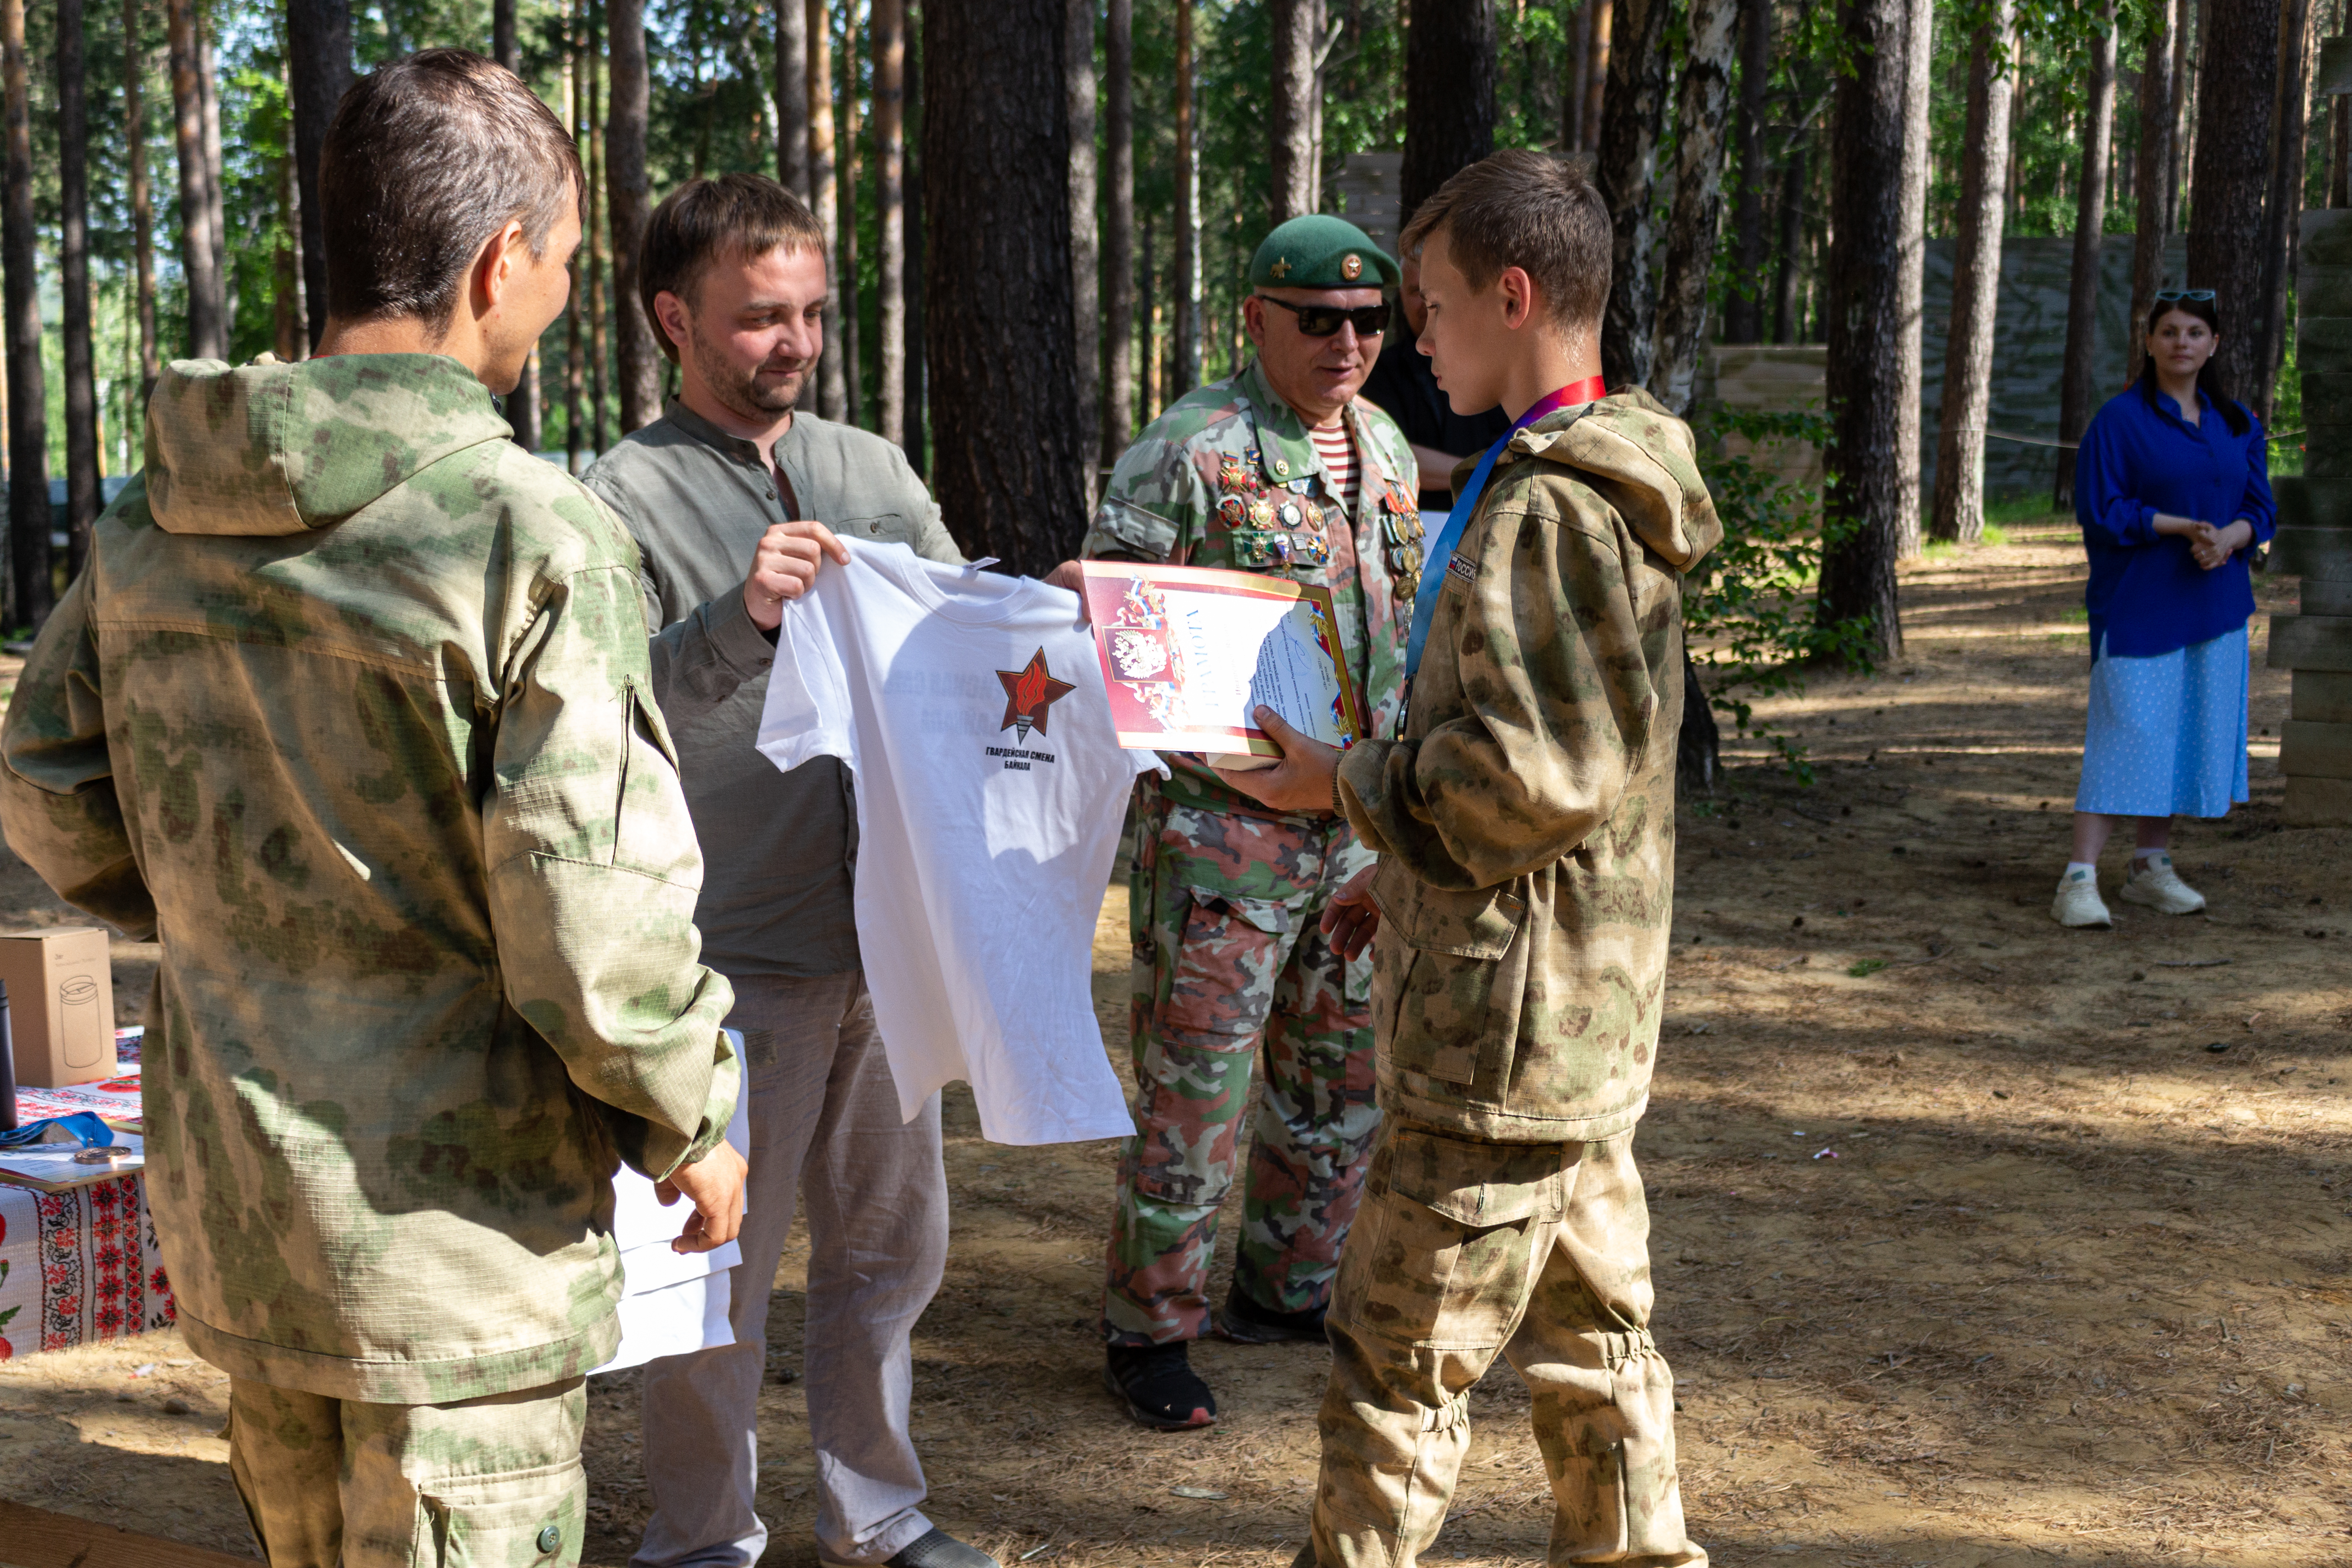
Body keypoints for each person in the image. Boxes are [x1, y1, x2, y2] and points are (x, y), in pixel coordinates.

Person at [0, 50, 747, 1568]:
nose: (561, 296)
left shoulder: (157, 518)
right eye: (563, 260)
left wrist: (239, 909)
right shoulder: (530, 535)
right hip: (454, 1252)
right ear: (497, 262)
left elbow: (49, 779)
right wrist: (692, 1120)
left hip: (249, 1215)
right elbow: (589, 925)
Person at [1218, 150, 1717, 1567]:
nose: (1410, 339)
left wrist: (1343, 785)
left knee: (1395, 1365)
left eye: (1428, 305)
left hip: (1495, 1040)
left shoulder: (1550, 506)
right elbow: (1563, 773)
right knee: (1597, 1347)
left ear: (1512, 295)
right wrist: (1398, 869)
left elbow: (1527, 776)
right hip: (1570, 1019)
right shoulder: (1584, 473)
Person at [580, 173, 994, 1568]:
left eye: (812, 313)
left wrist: (1050, 623)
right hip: (730, 955)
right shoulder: (615, 497)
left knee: (889, 1255)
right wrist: (736, 618)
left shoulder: (871, 471)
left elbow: (962, 640)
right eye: (762, 317)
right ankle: (702, 1539)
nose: (797, 343)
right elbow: (601, 712)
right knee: (716, 1277)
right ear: (673, 319)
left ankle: (878, 1515)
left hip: (892, 937)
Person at [2055, 291, 2276, 929]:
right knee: (2126, 735)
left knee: (2181, 737)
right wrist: (2180, 526)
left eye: (2195, 332)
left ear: (2214, 345)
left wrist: (2230, 537)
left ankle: (2148, 865)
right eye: (2170, 331)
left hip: (2215, 607)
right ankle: (2077, 878)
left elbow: (2260, 507)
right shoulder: (2119, 420)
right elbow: (2100, 510)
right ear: (2149, 342)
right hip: (2140, 608)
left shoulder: (2236, 422)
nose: (2182, 342)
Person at [1359, 247, 1511, 509]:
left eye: (1433, 293)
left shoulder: (1494, 362)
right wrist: (1486, 472)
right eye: (1415, 293)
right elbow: (1389, 454)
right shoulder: (1381, 371)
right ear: (1401, 298)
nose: (1425, 304)